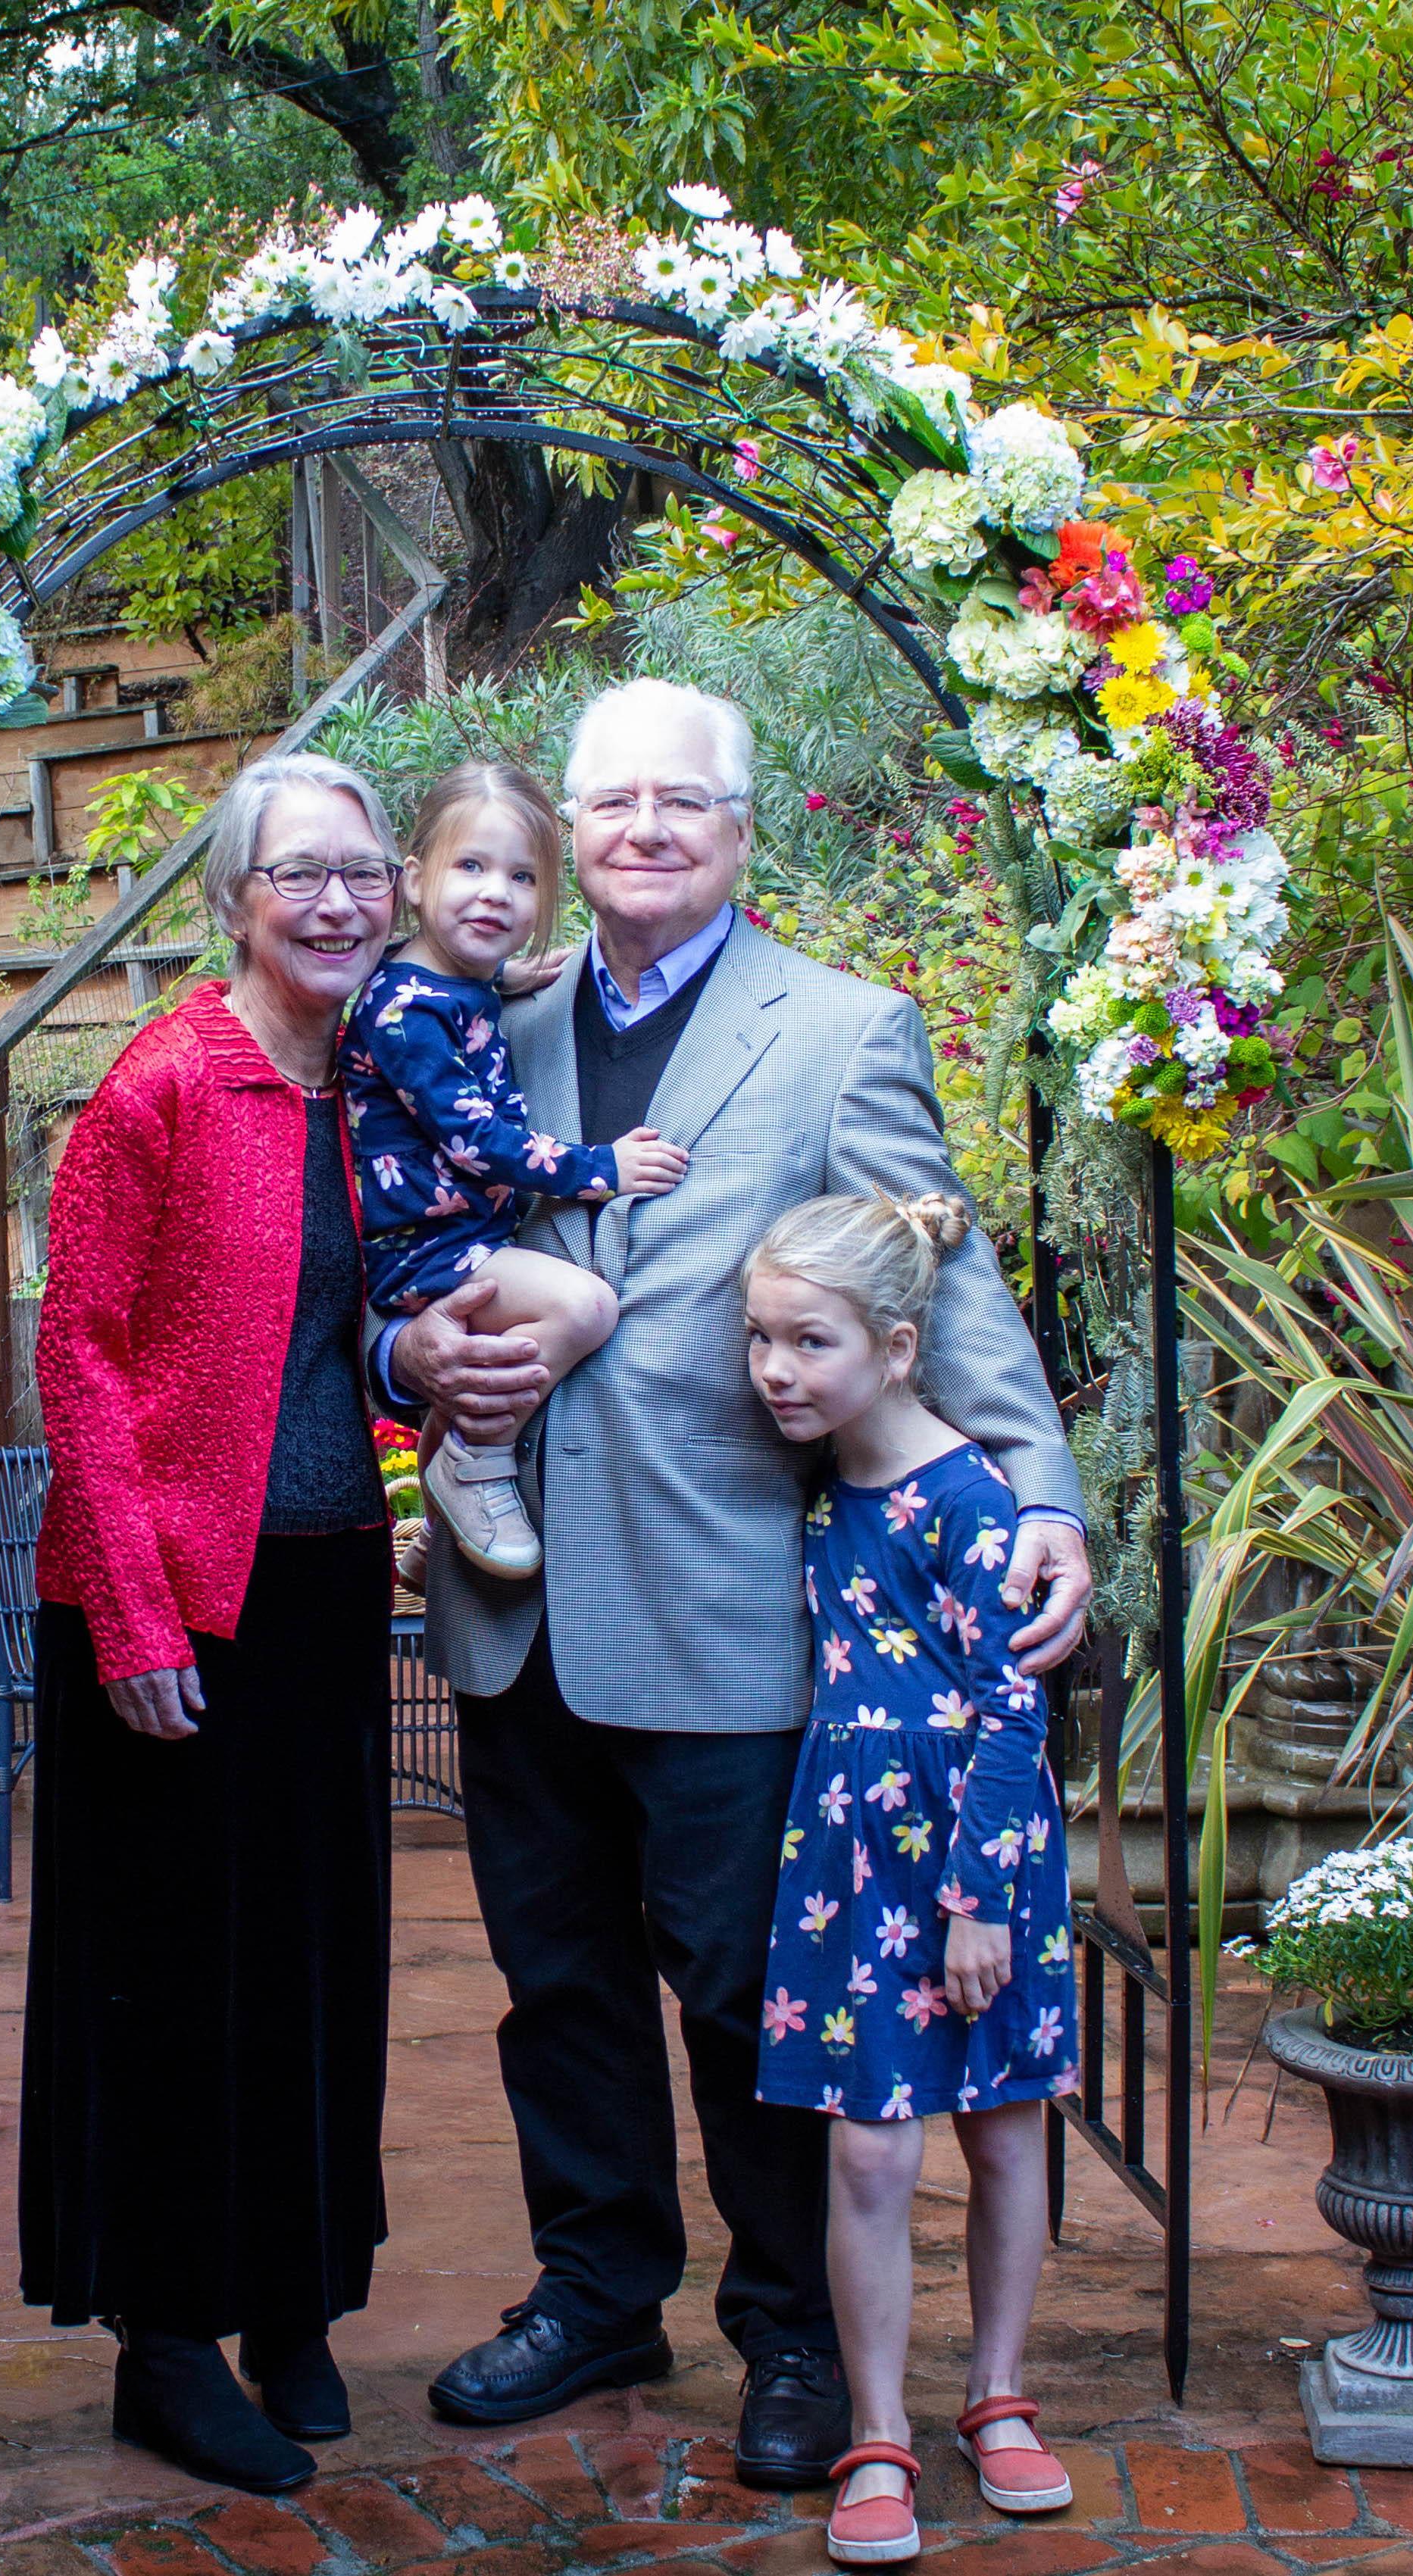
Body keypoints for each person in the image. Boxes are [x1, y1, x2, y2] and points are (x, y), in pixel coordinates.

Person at [377, 678, 1093, 2489]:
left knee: (743, 1989)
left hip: (726, 1607)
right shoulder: (482, 1014)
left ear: (738, 828)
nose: (638, 830)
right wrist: (406, 1362)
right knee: (555, 1980)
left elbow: (938, 1276)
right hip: (510, 1588)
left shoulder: (841, 1030)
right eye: (607, 800)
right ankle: (595, 2286)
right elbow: (397, 1238)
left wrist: (1042, 1492)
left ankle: (788, 2332)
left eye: (678, 804)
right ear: (567, 822)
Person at [20, 751, 406, 2498]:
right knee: (176, 1976)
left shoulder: (379, 1083)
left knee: (321, 1952)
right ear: (232, 897)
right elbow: (79, 1345)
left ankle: (294, 2300)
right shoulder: (164, 1081)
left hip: (322, 1583)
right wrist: (128, 1598)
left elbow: (378, 1327)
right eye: (298, 871)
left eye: (361, 869)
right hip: (173, 1598)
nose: (336, 900)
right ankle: (164, 2340)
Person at [742, 1194, 1079, 2562]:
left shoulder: (971, 1500)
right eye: (760, 1337)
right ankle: (874, 2425)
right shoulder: (828, 1493)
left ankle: (996, 2393)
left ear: (892, 1345)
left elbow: (1015, 1711)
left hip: (972, 1865)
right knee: (869, 2147)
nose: (774, 1368)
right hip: (848, 1866)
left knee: (1004, 2129)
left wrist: (980, 1898)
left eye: (807, 1341)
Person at [342, 760, 688, 1576]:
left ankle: (433, 1528)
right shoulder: (403, 1009)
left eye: (521, 875)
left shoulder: (447, 983)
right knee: (585, 1307)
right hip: (427, 1249)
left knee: (502, 1355)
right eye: (470, 865)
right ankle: (474, 1455)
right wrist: (600, 1167)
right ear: (414, 878)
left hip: (458, 1234)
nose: (495, 891)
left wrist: (503, 977)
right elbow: (476, 1140)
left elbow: (458, 989)